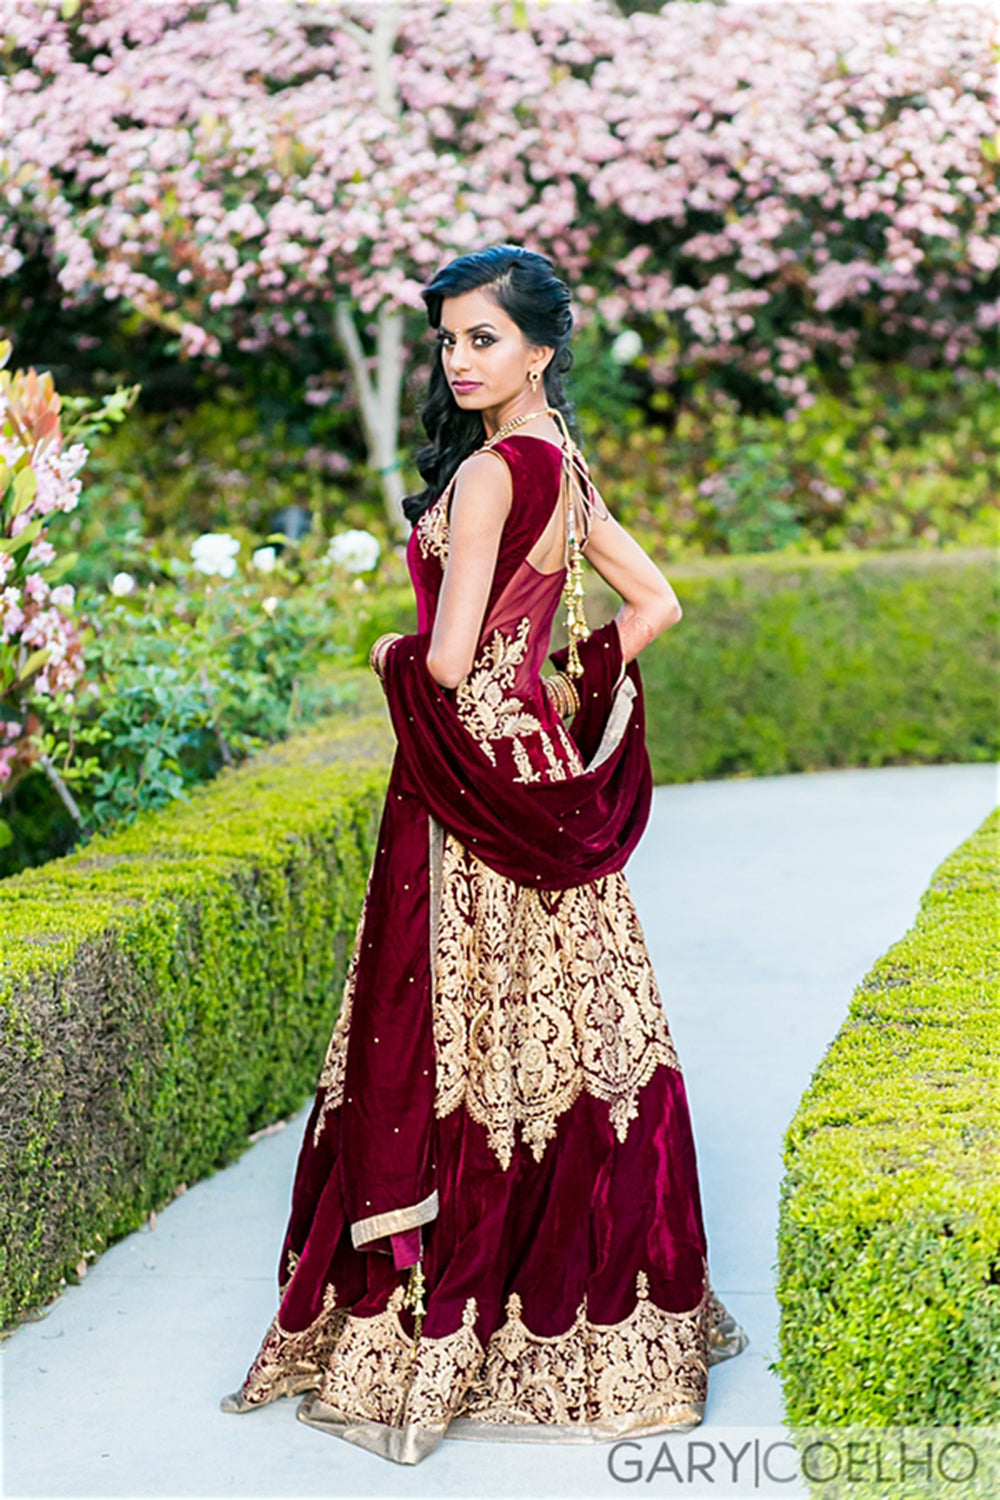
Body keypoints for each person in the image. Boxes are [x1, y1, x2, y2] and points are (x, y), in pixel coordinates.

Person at [220, 244, 747, 1464]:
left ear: (541, 348)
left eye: (483, 340)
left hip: (465, 802)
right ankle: (596, 1321)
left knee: (461, 1049)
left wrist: (389, 662)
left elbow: (447, 665)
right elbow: (654, 603)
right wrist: (557, 696)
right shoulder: (560, 464)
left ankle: (449, 1325)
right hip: (538, 782)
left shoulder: (488, 481)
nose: (460, 362)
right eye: (449, 341)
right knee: (572, 1044)